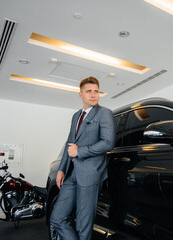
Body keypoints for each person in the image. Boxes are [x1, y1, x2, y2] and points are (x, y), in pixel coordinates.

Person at [50, 76, 116, 240]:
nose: (93, 95)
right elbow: (69, 143)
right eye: (89, 91)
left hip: (90, 174)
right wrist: (61, 170)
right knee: (57, 218)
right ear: (81, 94)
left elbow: (108, 143)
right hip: (72, 175)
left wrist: (81, 151)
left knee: (83, 225)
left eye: (96, 91)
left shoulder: (104, 113)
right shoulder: (76, 116)